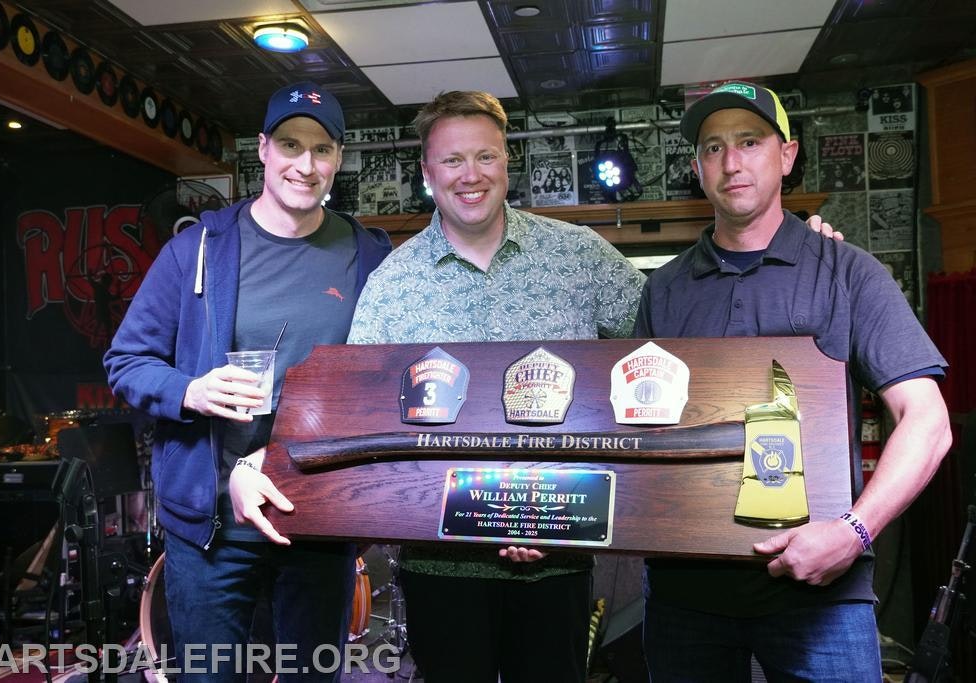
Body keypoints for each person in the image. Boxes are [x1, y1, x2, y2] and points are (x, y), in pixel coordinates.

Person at [634, 80, 952, 682]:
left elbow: (928, 423)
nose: (731, 162)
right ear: (698, 167)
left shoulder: (849, 272)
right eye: (712, 147)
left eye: (750, 141)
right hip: (683, 599)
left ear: (787, 154)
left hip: (822, 600)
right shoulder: (664, 290)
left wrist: (853, 533)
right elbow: (639, 432)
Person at [346, 90, 646, 683]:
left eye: (485, 156)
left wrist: (784, 247)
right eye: (452, 161)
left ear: (508, 161)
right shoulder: (391, 285)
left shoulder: (579, 256)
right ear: (427, 174)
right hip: (438, 566)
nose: (470, 176)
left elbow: (666, 342)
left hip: (558, 554)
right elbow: (365, 417)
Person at [104, 81, 391, 681]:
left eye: (321, 149)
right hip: (210, 530)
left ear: (338, 158)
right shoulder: (197, 249)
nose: (304, 165)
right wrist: (191, 391)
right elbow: (126, 361)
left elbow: (381, 384)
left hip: (315, 519)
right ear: (261, 149)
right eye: (290, 144)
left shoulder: (368, 255)